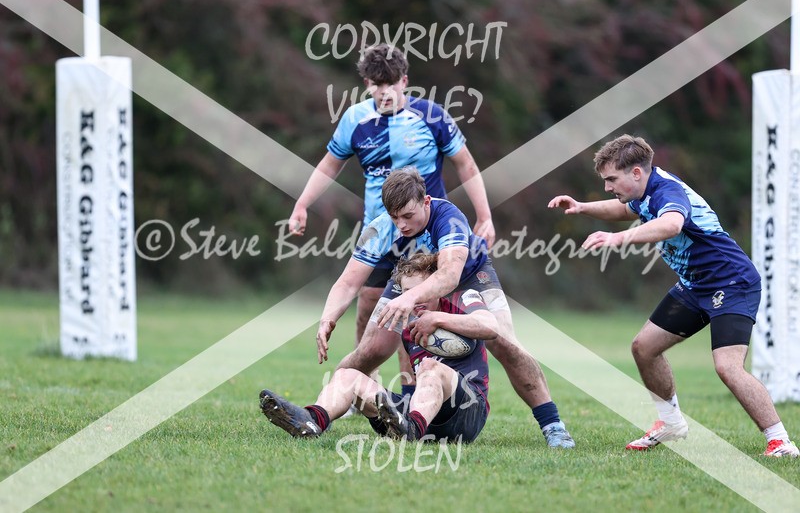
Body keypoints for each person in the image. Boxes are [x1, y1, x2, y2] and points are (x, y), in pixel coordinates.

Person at [547, 134, 799, 457]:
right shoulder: (642, 190)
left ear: (636, 173)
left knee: (727, 366)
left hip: (732, 281)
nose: (608, 187)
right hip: (695, 285)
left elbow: (672, 225)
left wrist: (619, 241)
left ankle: (780, 441)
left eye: (612, 179)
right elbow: (624, 209)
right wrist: (583, 208)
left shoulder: (668, 191)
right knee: (644, 347)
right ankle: (670, 422)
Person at [286, 44, 495, 397]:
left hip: (427, 235)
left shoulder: (431, 116)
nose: (384, 92)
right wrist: (302, 204)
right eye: (375, 85)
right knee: (368, 304)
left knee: (412, 306)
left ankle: (410, 388)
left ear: (404, 81)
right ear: (367, 83)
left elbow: (466, 165)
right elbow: (329, 164)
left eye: (391, 84)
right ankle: (361, 384)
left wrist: (485, 215)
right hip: (381, 230)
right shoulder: (355, 119)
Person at [315, 167, 575, 448]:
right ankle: (321, 413)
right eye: (394, 217)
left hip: (468, 273)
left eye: (408, 216)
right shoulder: (379, 228)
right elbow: (348, 283)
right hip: (410, 279)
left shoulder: (448, 218)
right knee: (372, 349)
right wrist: (328, 317)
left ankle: (553, 425)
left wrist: (408, 299)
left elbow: (449, 275)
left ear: (426, 202)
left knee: (503, 341)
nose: (401, 224)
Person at [259, 252, 497, 443]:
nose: (412, 300)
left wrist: (436, 319)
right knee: (348, 375)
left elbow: (490, 327)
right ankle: (311, 421)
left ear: (435, 286)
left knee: (430, 366)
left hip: (467, 412)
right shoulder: (407, 323)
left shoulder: (463, 298)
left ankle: (410, 428)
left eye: (419, 292)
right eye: (406, 293)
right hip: (426, 418)